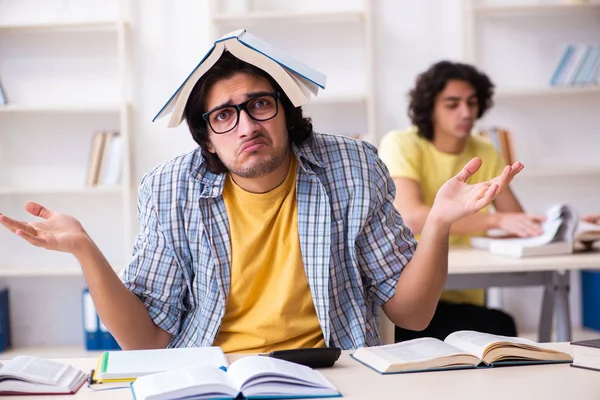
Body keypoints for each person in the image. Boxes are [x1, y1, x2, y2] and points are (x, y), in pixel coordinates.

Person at [0, 49, 522, 353]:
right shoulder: (169, 189)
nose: (246, 125)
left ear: (286, 110)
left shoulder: (353, 166)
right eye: (224, 115)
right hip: (214, 378)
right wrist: (86, 251)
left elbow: (411, 313)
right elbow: (146, 341)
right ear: (206, 136)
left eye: (260, 104)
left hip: (333, 375)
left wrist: (438, 225)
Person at [379, 60, 544, 342]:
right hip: (411, 298)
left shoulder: (483, 150)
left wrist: (559, 223)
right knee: (502, 327)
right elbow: (411, 216)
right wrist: (497, 219)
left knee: (500, 329)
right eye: (452, 104)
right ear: (430, 107)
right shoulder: (402, 143)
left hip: (467, 292)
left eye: (472, 102)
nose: (466, 112)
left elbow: (515, 220)